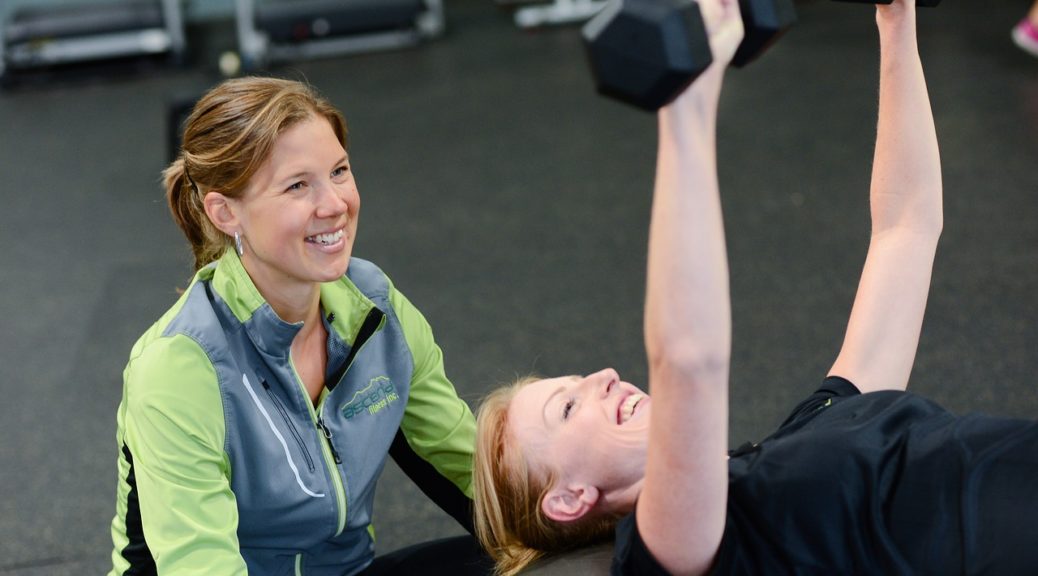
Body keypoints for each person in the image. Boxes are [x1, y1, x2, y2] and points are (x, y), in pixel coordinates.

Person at [473, 1, 1038, 575]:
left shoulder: (804, 434)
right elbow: (688, 362)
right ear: (569, 498)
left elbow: (906, 229)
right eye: (567, 407)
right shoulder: (676, 550)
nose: (604, 376)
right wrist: (687, 102)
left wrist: (896, 22)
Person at [108, 77, 488, 575]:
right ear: (225, 212)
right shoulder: (180, 365)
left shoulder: (374, 309)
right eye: (297, 185)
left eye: (339, 171)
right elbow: (199, 564)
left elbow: (465, 466)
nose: (334, 204)